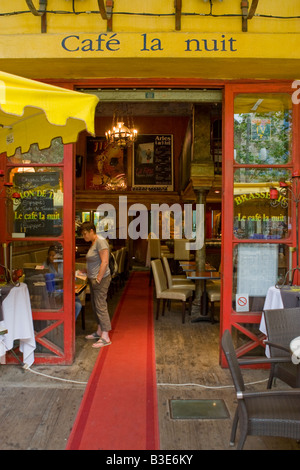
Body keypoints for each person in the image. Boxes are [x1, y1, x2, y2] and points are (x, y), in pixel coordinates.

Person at [80, 221, 112, 348]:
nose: (84, 237)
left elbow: (104, 262)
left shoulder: (100, 241)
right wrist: (86, 271)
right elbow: (96, 261)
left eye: (85, 234)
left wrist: (98, 278)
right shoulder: (94, 242)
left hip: (101, 280)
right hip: (93, 278)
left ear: (92, 231)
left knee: (100, 306)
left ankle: (106, 336)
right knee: (95, 305)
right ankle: (99, 331)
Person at [44, 246, 82, 320]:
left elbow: (72, 276)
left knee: (77, 305)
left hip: (65, 290)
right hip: (53, 292)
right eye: (50, 255)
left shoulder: (63, 263)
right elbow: (41, 274)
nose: (51, 257)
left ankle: (68, 322)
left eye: (53, 255)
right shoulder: (46, 264)